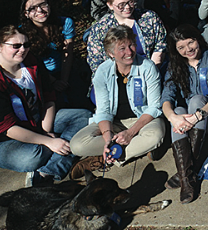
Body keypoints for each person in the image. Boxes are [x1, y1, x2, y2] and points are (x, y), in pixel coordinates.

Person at [0, 26, 91, 187]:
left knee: (83, 117)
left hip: (38, 123)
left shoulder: (31, 62)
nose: (22, 50)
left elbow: (49, 97)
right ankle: (61, 153)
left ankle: (46, 173)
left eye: (26, 45)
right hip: (6, 140)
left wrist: (46, 131)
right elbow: (8, 128)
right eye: (15, 46)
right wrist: (48, 141)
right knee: (34, 156)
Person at [70, 26, 167, 174]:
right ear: (110, 53)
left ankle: (105, 158)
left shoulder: (147, 67)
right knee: (77, 145)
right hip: (114, 123)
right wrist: (108, 138)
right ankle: (121, 151)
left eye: (131, 45)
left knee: (155, 136)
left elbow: (154, 107)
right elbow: (103, 111)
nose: (129, 52)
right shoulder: (102, 72)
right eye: (122, 48)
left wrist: (130, 133)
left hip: (142, 121)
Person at [162, 25, 208, 203]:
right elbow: (166, 97)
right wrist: (173, 118)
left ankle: (185, 172)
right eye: (181, 47)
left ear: (198, 39)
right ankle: (187, 180)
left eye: (190, 42)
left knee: (196, 100)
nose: (188, 49)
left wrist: (198, 116)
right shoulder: (175, 65)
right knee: (177, 110)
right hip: (191, 119)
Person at [86, 0, 167, 73]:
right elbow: (95, 61)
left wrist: (152, 70)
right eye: (121, 5)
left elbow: (161, 44)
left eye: (131, 2)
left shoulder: (149, 17)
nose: (127, 7)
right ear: (110, 5)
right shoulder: (100, 28)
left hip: (149, 70)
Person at [18, 0, 77, 102]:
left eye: (43, 4)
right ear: (26, 14)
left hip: (66, 70)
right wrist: (53, 82)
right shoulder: (21, 33)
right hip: (39, 74)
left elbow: (67, 54)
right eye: (32, 8)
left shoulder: (65, 23)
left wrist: (64, 81)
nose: (40, 10)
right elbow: (29, 62)